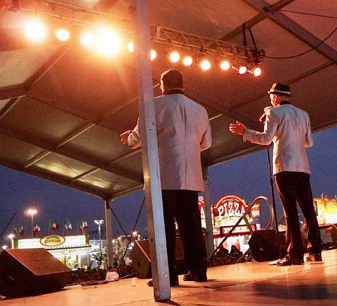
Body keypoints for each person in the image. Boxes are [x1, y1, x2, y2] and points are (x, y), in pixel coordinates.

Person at [121, 69, 211, 286]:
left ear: (162, 85)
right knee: (192, 227)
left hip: (164, 177)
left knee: (164, 227)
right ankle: (198, 270)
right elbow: (206, 143)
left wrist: (129, 138)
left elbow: (139, 137)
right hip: (191, 178)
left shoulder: (153, 105)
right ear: (183, 84)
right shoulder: (200, 109)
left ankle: (167, 276)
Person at [229, 83, 321, 265]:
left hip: (284, 166)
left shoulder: (274, 113)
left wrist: (245, 132)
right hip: (303, 167)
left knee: (290, 212)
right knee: (308, 211)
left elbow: (265, 138)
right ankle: (315, 251)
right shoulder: (304, 114)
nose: (270, 99)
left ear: (276, 97)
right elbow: (309, 142)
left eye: (271, 96)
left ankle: (294, 255)